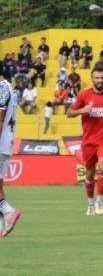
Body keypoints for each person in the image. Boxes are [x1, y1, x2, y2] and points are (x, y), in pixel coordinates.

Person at [67, 67, 103, 216]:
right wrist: (82, 110)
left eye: (102, 78)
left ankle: (99, 200)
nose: (100, 81)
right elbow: (69, 112)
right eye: (97, 78)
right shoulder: (84, 95)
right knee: (90, 173)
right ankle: (90, 203)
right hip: (88, 140)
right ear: (92, 79)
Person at [0, 71, 23, 237]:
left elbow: (0, 119)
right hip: (6, 144)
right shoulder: (10, 89)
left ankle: (8, 211)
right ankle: (4, 221)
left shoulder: (1, 88)